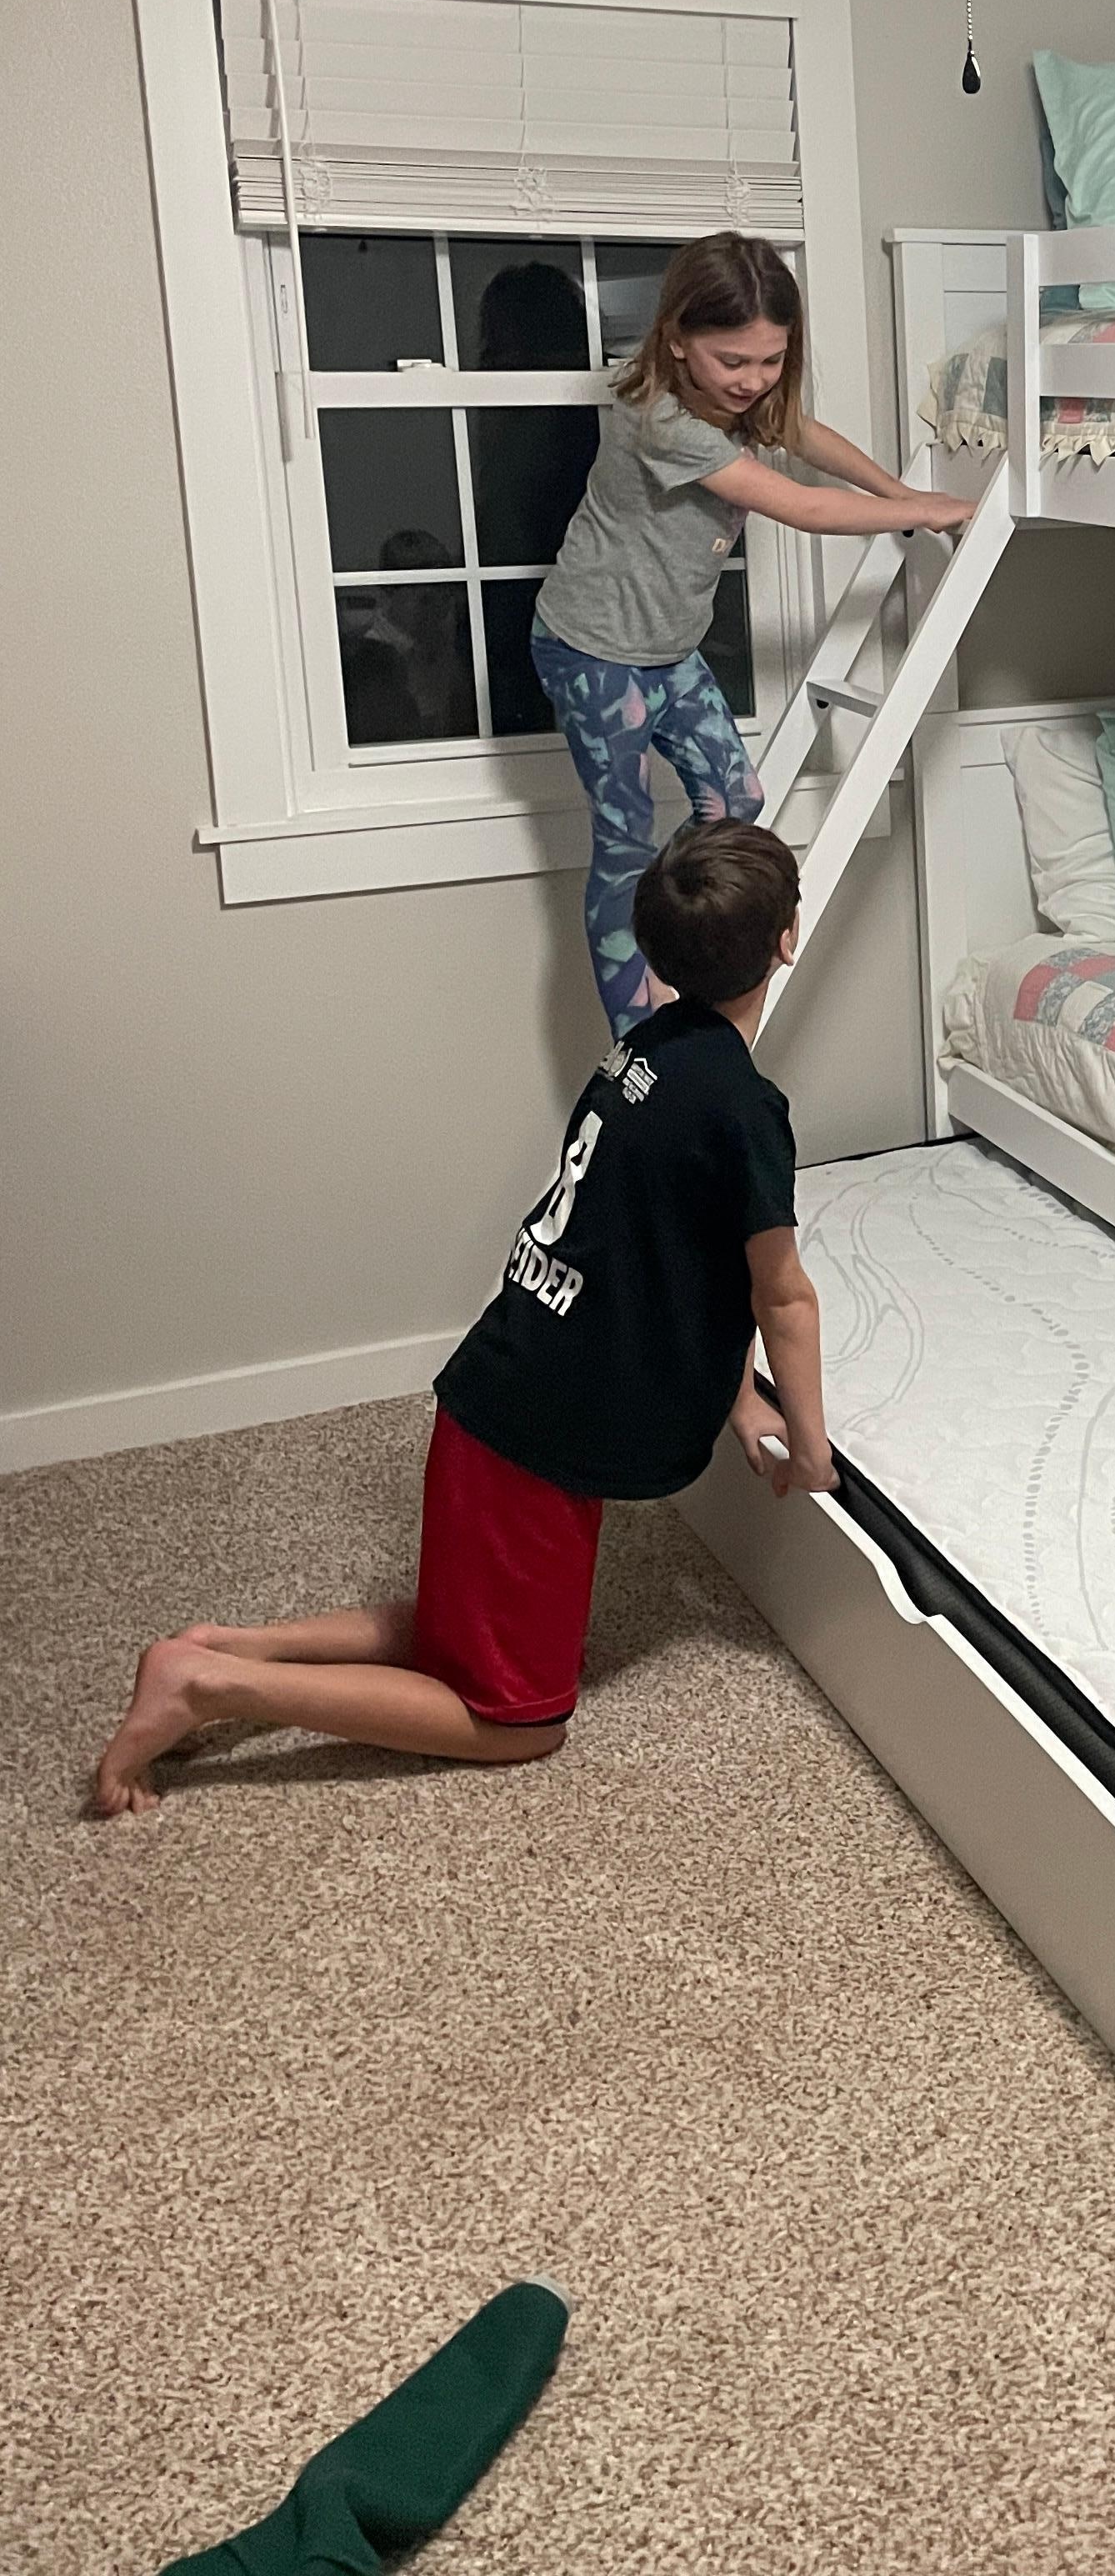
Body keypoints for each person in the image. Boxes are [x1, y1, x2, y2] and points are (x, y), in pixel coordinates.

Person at [90, 824, 836, 1818]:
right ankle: (215, 1685)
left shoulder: (645, 1050)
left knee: (453, 1628)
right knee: (520, 1718)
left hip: (502, 1381)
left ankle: (222, 1644)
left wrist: (738, 1396)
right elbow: (779, 1291)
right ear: (788, 939)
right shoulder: (742, 1106)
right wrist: (813, 1448)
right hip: (539, 1436)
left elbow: (668, 1256)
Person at [530, 228, 975, 1034]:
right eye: (733, 361)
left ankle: (700, 959)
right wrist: (922, 509)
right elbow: (799, 505)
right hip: (595, 650)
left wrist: (894, 486)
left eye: (771, 360)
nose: (754, 380)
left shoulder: (744, 401)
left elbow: (806, 437)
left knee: (737, 801)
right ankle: (638, 1027)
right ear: (677, 339)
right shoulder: (663, 420)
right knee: (626, 836)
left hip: (667, 650)